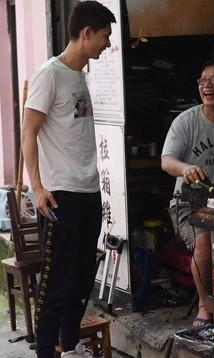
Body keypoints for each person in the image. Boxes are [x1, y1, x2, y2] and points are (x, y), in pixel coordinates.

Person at [22, 2, 115, 357]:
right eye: (104, 37)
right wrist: (37, 187)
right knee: (56, 282)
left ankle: (71, 346)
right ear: (87, 33)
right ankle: (46, 350)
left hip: (88, 191)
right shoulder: (51, 74)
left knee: (80, 278)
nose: (107, 44)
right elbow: (29, 132)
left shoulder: (79, 75)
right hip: (61, 194)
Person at [161, 59, 214, 327]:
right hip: (189, 200)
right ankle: (204, 305)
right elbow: (166, 161)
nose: (207, 85)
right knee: (204, 242)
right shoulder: (186, 122)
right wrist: (185, 168)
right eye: (202, 80)